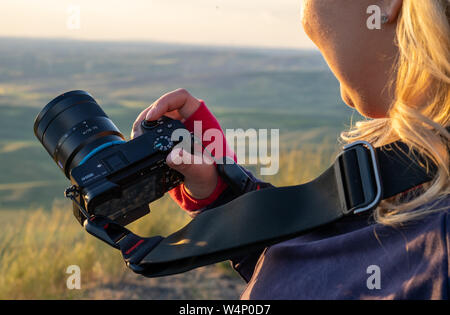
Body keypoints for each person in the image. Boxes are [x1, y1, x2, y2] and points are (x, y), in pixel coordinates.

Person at [132, 0, 450, 299]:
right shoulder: (414, 177)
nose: (304, 14)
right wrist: (222, 192)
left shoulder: (439, 244)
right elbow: (321, 261)